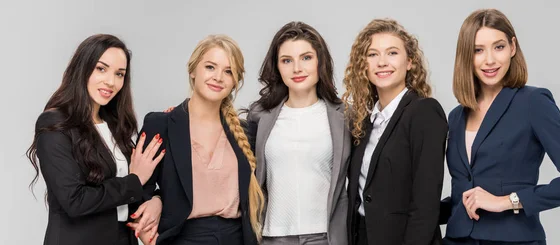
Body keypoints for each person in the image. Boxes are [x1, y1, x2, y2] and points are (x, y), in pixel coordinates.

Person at [440, 8, 560, 245]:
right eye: (478, 50)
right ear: (466, 56)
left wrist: (507, 201)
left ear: (513, 47)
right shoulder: (456, 116)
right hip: (457, 241)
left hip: (513, 240)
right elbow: (463, 195)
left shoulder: (533, 103)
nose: (490, 60)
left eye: (499, 47)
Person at [26, 34, 164, 245]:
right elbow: (75, 201)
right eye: (101, 69)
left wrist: (156, 200)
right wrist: (135, 181)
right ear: (83, 68)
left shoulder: (116, 127)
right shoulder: (55, 123)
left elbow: (133, 190)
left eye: (120, 74)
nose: (111, 81)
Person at [137, 34, 264, 245]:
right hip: (183, 238)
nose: (218, 77)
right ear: (193, 70)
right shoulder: (161, 124)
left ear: (235, 82)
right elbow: (139, 190)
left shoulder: (246, 132)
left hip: (237, 239)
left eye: (228, 71)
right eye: (210, 67)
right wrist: (156, 203)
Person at [343, 18, 448, 245]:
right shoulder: (363, 121)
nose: (382, 62)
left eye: (392, 53)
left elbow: (425, 204)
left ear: (409, 62)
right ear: (364, 65)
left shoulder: (424, 112)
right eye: (372, 55)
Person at [246, 21, 350, 245]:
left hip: (326, 237)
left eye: (306, 57)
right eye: (287, 60)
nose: (297, 68)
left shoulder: (344, 117)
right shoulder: (259, 116)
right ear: (277, 67)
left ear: (320, 61)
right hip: (272, 236)